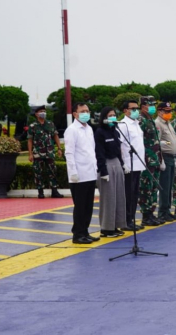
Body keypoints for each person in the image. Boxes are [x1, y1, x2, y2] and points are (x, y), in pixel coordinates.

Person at [64, 102, 100, 244]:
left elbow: (91, 150)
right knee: (80, 207)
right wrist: (72, 172)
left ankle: (85, 231)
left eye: (87, 110)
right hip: (78, 175)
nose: (86, 113)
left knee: (88, 206)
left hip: (90, 173)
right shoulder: (72, 130)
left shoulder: (89, 129)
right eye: (82, 111)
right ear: (75, 114)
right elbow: (69, 152)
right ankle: (77, 234)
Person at [94, 107, 127, 237]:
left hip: (116, 164)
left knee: (119, 196)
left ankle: (116, 225)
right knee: (108, 198)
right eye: (110, 115)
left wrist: (122, 165)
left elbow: (118, 150)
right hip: (107, 165)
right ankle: (106, 228)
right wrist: (103, 171)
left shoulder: (115, 131)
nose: (113, 117)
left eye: (114, 115)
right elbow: (99, 153)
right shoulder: (100, 132)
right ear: (104, 118)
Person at [118, 100, 146, 231]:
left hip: (138, 164)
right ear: (125, 110)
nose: (136, 110)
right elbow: (121, 146)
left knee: (135, 194)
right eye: (133, 108)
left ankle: (132, 219)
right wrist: (123, 163)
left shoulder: (136, 123)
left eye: (137, 108)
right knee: (128, 194)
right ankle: (126, 220)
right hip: (129, 165)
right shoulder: (123, 125)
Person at [138, 95, 165, 227]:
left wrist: (160, 159)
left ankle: (151, 213)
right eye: (151, 105)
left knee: (154, 188)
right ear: (143, 106)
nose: (153, 107)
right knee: (146, 188)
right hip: (146, 161)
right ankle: (146, 215)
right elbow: (140, 142)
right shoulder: (140, 120)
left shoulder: (150, 120)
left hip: (155, 160)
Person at [27, 105, 64, 198]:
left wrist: (59, 148)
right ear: (36, 114)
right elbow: (30, 140)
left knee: (52, 171)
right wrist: (30, 154)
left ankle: (54, 191)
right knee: (38, 172)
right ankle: (40, 192)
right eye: (41, 111)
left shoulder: (50, 124)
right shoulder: (33, 126)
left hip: (50, 152)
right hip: (38, 153)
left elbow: (55, 136)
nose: (43, 113)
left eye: (44, 111)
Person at [155, 101, 176, 222]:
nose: (169, 113)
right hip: (165, 157)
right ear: (160, 112)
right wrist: (161, 160)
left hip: (171, 157)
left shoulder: (168, 123)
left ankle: (167, 210)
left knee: (169, 186)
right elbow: (158, 143)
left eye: (170, 111)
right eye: (166, 111)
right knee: (164, 186)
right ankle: (163, 211)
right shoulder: (158, 124)